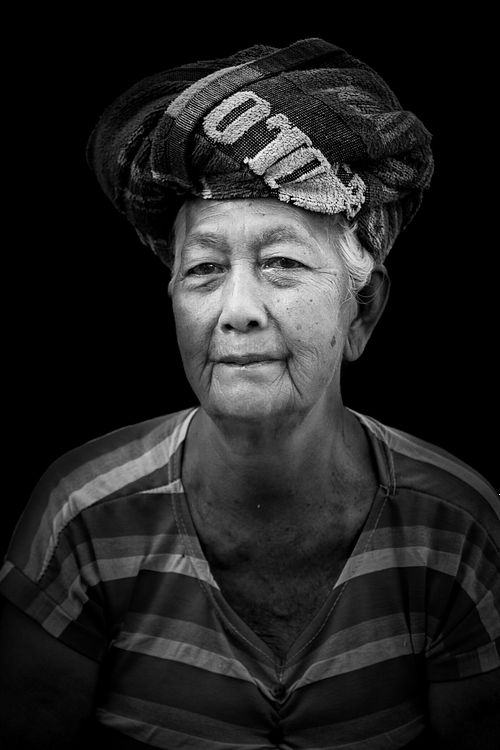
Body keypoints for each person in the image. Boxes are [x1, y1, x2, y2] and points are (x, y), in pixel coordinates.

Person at [0, 37, 498, 750]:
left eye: (282, 261)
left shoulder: (456, 528)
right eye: (204, 269)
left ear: (362, 311)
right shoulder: (83, 513)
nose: (237, 310)